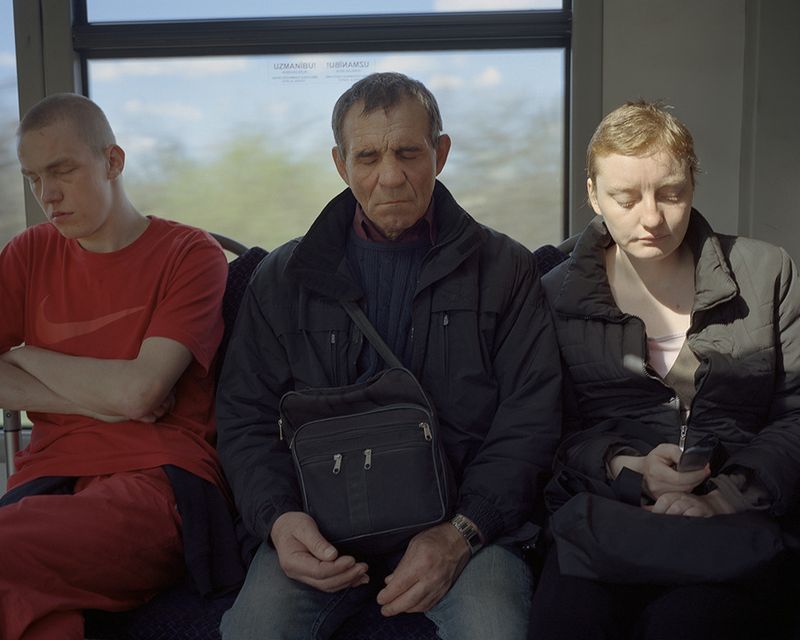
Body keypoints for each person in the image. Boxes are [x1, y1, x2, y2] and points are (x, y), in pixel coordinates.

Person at [215, 71, 561, 639]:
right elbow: (244, 417)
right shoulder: (281, 278)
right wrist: (279, 520)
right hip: (318, 530)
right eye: (368, 157)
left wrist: (463, 532)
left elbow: (531, 418)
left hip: (465, 529)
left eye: (408, 153)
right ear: (340, 164)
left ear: (440, 153)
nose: (390, 176)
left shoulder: (506, 269)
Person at [528, 101, 800, 639]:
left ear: (693, 185)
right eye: (626, 199)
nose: (651, 218)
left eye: (671, 194)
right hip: (604, 522)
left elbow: (795, 414)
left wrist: (722, 495)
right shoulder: (553, 295)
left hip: (731, 524)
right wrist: (625, 466)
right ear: (593, 195)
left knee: (688, 623)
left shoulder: (766, 273)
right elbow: (545, 429)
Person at [0, 93, 229, 640]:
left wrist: (27, 356)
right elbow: (124, 399)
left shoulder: (190, 254)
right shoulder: (28, 254)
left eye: (62, 171)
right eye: (33, 179)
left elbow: (139, 394)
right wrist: (98, 403)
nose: (47, 195)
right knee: (37, 614)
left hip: (158, 482)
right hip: (47, 479)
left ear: (113, 161)